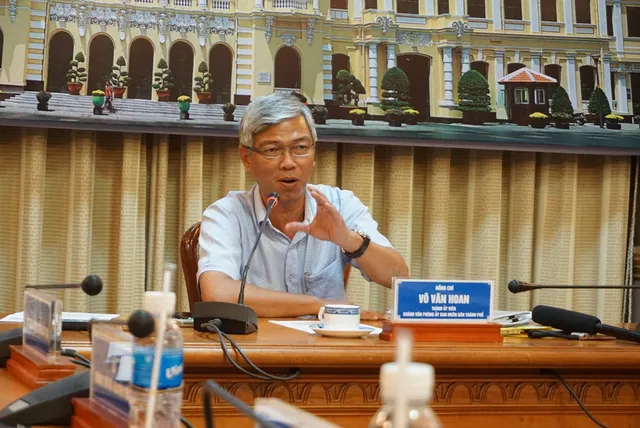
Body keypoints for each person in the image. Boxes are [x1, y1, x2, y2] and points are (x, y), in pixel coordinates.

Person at [197, 92, 408, 319]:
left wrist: (349, 239)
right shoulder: (226, 214)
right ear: (247, 158)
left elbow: (398, 277)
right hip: (257, 341)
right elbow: (217, 292)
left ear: (314, 153)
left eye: (300, 148)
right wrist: (318, 305)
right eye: (272, 150)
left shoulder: (338, 205)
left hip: (324, 342)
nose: (288, 163)